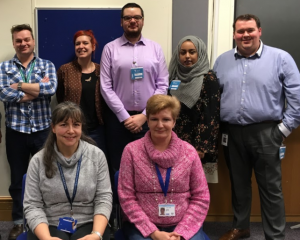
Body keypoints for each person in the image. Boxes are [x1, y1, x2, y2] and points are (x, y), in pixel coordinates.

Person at [213, 14, 300, 240]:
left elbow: (297, 98)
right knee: (238, 185)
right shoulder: (222, 61)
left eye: (250, 30)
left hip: (266, 133)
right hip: (231, 133)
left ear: (259, 31)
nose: (245, 35)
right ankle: (240, 227)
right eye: (240, 31)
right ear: (234, 34)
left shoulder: (281, 58)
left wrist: (283, 130)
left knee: (271, 189)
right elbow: (213, 97)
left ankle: (275, 235)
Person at [118, 94, 210, 240]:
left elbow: (201, 197)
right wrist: (153, 232)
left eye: (166, 119)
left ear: (174, 122)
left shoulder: (189, 152)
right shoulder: (131, 151)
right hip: (143, 226)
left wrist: (181, 233)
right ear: (147, 121)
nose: (160, 125)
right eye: (154, 119)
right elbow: (126, 197)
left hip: (183, 224)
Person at [23, 101, 112, 240]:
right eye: (63, 125)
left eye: (76, 124)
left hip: (89, 222)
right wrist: (47, 238)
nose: (70, 130)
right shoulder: (38, 160)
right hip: (50, 223)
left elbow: (104, 199)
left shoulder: (97, 156)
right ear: (53, 127)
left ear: (81, 127)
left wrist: (96, 234)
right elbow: (33, 205)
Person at [0, 24, 57, 240]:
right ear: (14, 43)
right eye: (18, 40)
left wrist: (19, 85)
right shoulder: (3, 67)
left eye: (27, 39)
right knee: (18, 179)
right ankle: (17, 222)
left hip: (43, 131)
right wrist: (35, 88)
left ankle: (47, 220)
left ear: (33, 41)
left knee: (47, 176)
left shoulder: (46, 65)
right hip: (16, 131)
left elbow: (50, 89)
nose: (23, 43)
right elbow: (3, 93)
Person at [100, 2, 169, 176]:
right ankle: (120, 204)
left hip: (150, 121)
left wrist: (145, 115)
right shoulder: (110, 49)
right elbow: (105, 87)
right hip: (118, 122)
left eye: (136, 17)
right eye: (128, 17)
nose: (132, 21)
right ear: (121, 22)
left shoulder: (156, 48)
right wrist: (125, 117)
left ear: (143, 21)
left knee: (149, 169)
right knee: (119, 169)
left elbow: (162, 85)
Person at [168, 35, 220, 183]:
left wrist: (201, 147)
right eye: (183, 52)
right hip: (175, 142)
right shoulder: (173, 77)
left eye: (192, 52)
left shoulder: (208, 79)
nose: (187, 56)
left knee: (196, 187)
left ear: (200, 54)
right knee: (175, 185)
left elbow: (211, 116)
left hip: (197, 145)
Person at [56, 30, 107, 155]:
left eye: (85, 43)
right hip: (71, 130)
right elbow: (60, 97)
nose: (81, 47)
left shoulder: (102, 70)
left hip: (97, 129)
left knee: (96, 162)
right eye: (77, 44)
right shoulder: (65, 70)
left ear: (93, 46)